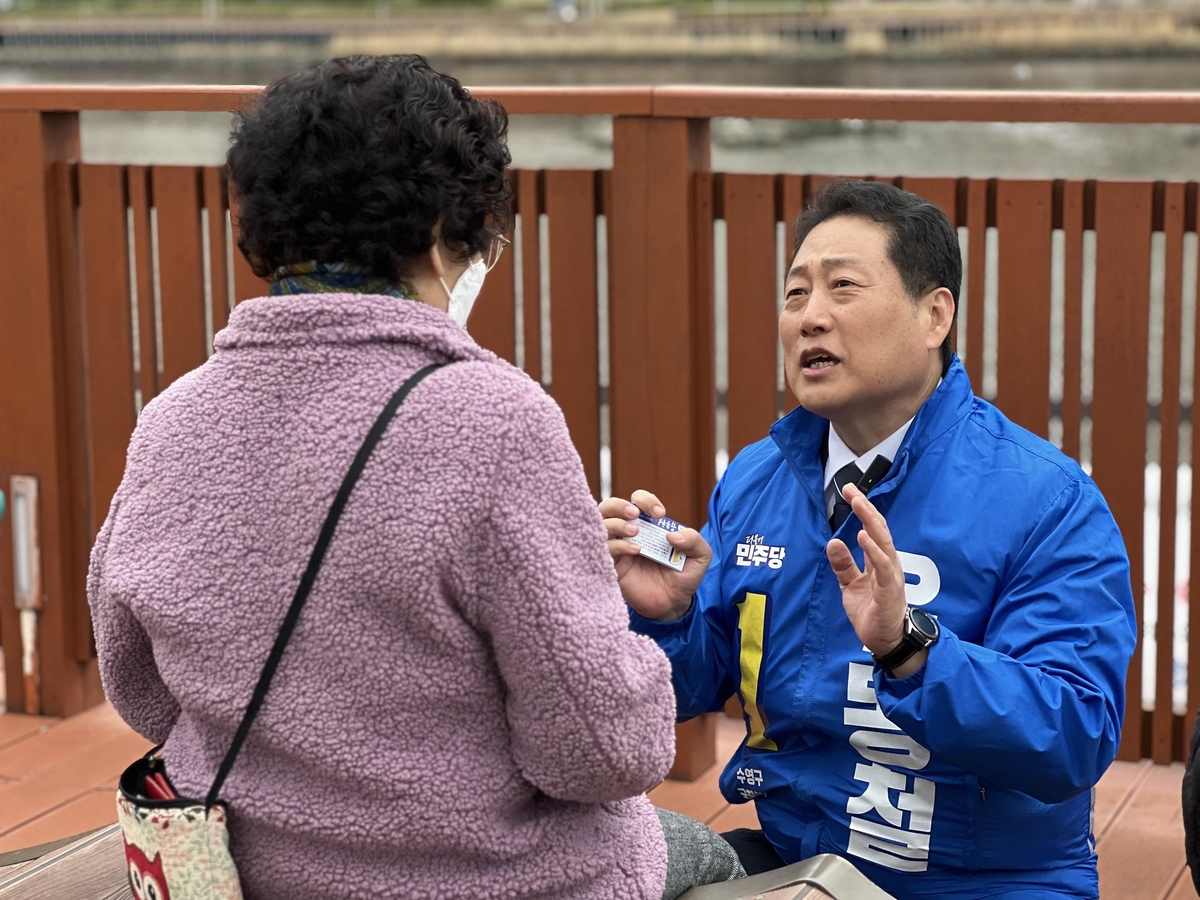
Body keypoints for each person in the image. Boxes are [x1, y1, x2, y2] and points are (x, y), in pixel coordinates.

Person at [89, 55, 740, 900]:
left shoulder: (174, 418)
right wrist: (639, 645)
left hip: (252, 867)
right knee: (716, 856)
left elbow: (137, 683)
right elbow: (600, 753)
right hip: (486, 878)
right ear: (443, 232)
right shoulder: (495, 421)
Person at [602, 179, 1137, 899]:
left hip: (985, 882)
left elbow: (1075, 735)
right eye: (795, 295)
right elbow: (697, 683)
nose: (809, 318)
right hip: (795, 862)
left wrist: (911, 650)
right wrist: (667, 617)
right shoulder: (759, 479)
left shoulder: (1047, 498)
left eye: (843, 288)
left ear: (933, 315)